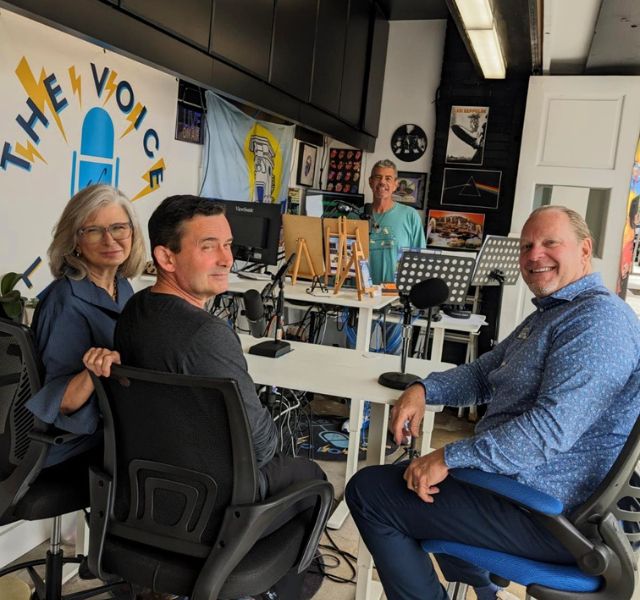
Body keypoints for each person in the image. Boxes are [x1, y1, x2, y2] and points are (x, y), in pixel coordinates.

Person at [345, 205, 640, 600]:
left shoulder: (599, 322)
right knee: (418, 486)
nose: (535, 255)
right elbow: (485, 374)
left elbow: (545, 434)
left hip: (553, 516)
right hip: (518, 492)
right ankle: (482, 590)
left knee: (371, 492)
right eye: (526, 246)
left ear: (584, 250)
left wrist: (448, 457)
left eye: (551, 243)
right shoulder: (555, 313)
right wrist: (424, 389)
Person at [84, 195, 325, 599]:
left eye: (228, 245)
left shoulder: (134, 311)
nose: (227, 259)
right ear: (166, 257)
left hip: (145, 498)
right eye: (208, 246)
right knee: (314, 479)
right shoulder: (206, 336)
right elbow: (263, 446)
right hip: (214, 512)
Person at [26, 184, 146, 467]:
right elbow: (62, 403)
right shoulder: (66, 301)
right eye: (93, 230)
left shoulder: (122, 286)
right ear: (74, 241)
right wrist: (92, 371)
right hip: (71, 443)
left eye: (119, 227)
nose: (110, 240)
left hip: (108, 426)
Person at [368, 159, 426, 285]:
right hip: (359, 295)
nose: (382, 182)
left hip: (395, 296)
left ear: (395, 185)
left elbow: (419, 258)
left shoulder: (410, 216)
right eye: (378, 177)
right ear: (370, 182)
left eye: (388, 178)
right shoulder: (355, 215)